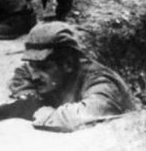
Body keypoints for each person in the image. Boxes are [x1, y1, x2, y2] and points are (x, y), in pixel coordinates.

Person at [8, 22, 138, 132]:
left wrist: (44, 113)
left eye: (44, 67)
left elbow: (91, 113)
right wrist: (31, 98)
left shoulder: (100, 80)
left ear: (68, 64)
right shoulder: (42, 70)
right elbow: (21, 74)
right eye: (33, 65)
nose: (34, 76)